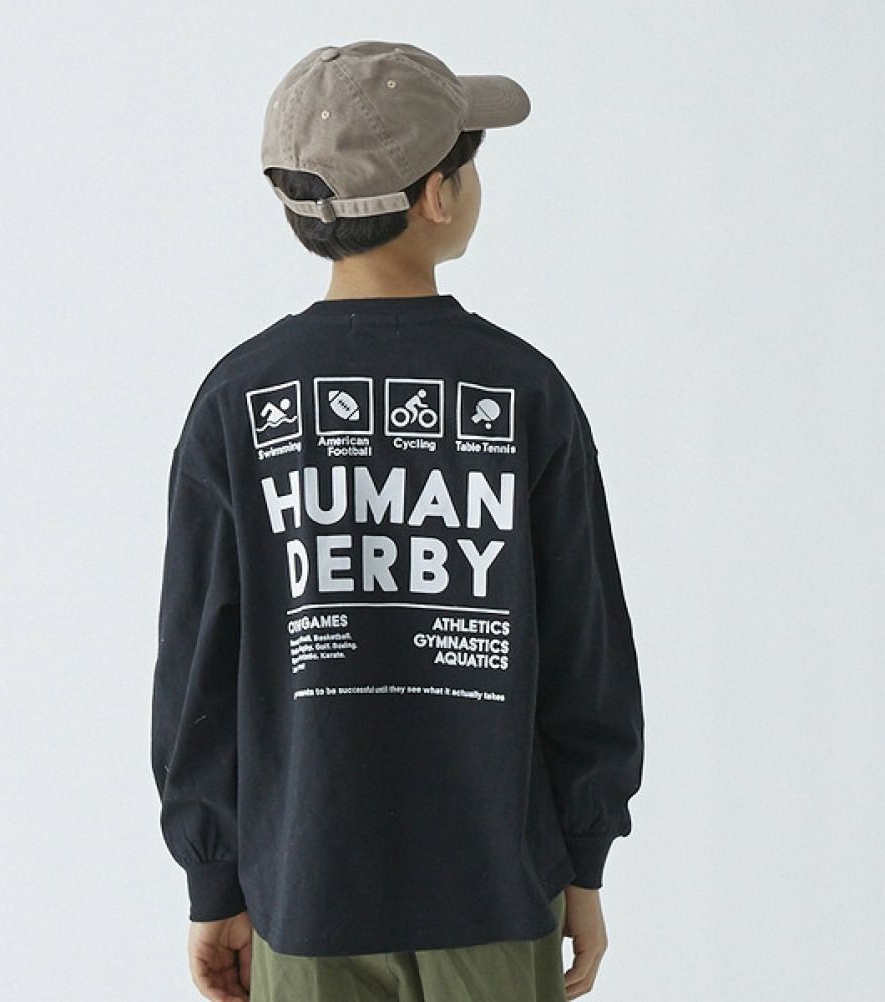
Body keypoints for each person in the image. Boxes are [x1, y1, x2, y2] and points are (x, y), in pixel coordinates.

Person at [151, 40, 645, 1002]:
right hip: (498, 891)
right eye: (468, 163)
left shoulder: (240, 400)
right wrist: (583, 863)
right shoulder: (523, 391)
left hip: (304, 895)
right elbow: (586, 650)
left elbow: (198, 663)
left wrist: (215, 881)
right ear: (437, 196)